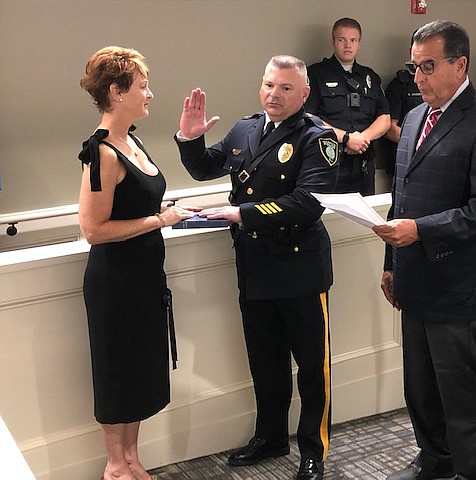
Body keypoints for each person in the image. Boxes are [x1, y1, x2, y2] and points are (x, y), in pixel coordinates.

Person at [175, 55, 338, 480]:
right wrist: (189, 139)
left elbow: (308, 203)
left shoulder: (317, 137)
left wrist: (241, 214)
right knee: (265, 361)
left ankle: (313, 451)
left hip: (300, 269)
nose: (274, 95)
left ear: (303, 94)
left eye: (285, 88)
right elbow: (204, 167)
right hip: (255, 266)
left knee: (312, 367)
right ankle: (269, 436)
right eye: (268, 85)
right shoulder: (246, 128)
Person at [372, 21, 476, 480]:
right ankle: (434, 463)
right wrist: (392, 263)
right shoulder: (414, 117)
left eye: (429, 67)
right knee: (419, 388)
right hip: (413, 279)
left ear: (460, 65)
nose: (419, 77)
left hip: (458, 285)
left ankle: (472, 472)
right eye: (415, 67)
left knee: (459, 390)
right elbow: (402, 197)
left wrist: (419, 232)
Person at [78, 46, 196, 480]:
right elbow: (93, 229)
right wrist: (160, 220)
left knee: (140, 371)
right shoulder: (101, 152)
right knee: (117, 371)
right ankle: (115, 466)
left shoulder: (134, 140)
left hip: (145, 277)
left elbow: (134, 205)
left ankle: (131, 458)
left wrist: (162, 215)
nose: (150, 94)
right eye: (143, 87)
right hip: (115, 283)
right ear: (117, 91)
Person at [306, 17, 390, 195]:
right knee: (330, 220)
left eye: (353, 40)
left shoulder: (370, 77)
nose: (347, 45)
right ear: (333, 41)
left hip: (364, 165)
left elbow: (385, 118)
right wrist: (346, 138)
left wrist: (361, 139)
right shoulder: (316, 74)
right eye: (341, 40)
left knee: (365, 220)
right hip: (329, 163)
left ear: (359, 43)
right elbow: (309, 117)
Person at [382, 33, 424, 177]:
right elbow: (390, 129)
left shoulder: (443, 86)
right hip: (407, 158)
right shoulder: (400, 85)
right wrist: (423, 143)